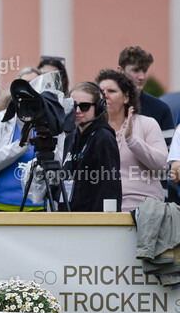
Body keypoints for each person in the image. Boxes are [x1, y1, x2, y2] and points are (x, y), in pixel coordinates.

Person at [96, 69, 167, 211]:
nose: (105, 96)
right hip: (103, 211)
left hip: (144, 209)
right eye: (101, 92)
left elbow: (162, 166)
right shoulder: (94, 130)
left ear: (126, 97)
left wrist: (131, 140)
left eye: (111, 91)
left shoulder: (147, 124)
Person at [66, 82, 122, 211]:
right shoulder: (73, 136)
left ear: (98, 108)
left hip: (94, 223)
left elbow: (108, 187)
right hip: (73, 218)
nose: (78, 111)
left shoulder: (103, 137)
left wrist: (101, 224)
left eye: (84, 106)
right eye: (73, 106)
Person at [117, 46, 174, 146]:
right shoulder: (108, 106)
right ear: (120, 70)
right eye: (136, 70)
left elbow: (168, 154)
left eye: (145, 71)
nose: (142, 77)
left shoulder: (161, 109)